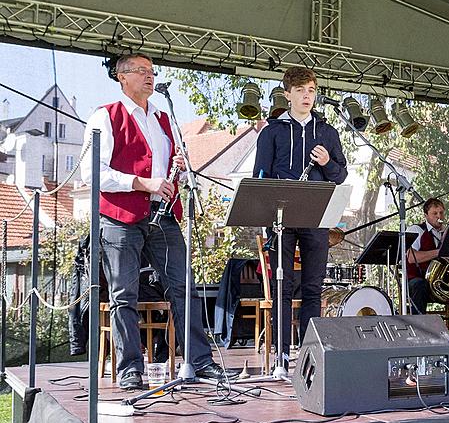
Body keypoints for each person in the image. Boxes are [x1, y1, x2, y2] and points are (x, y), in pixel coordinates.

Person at [82, 53, 231, 390]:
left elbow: (164, 170)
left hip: (162, 215)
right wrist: (140, 182)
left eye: (152, 71)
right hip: (120, 217)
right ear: (122, 77)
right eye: (141, 71)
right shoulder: (104, 117)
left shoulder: (164, 118)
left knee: (183, 287)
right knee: (124, 294)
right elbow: (94, 172)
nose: (149, 76)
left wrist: (176, 167)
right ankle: (130, 368)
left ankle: (200, 361)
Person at [253, 66, 348, 367]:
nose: (307, 96)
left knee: (312, 286)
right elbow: (260, 175)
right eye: (301, 91)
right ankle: (281, 354)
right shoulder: (272, 132)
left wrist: (327, 162)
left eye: (311, 91)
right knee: (282, 284)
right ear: (287, 95)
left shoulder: (328, 132)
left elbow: (341, 174)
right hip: (280, 217)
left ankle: (309, 354)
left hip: (315, 216)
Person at [406, 198, 446, 315]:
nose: (439, 216)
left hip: (442, 282)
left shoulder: (448, 232)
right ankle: (419, 327)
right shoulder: (416, 230)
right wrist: (439, 252)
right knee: (419, 285)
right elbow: (411, 257)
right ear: (426, 215)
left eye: (441, 213)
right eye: (435, 213)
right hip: (418, 279)